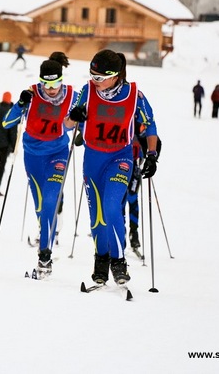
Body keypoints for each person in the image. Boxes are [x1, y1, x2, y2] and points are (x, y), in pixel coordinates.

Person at [64, 49, 159, 286]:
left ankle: (118, 260)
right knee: (97, 217)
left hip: (120, 158)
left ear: (116, 75)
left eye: (99, 78)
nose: (94, 82)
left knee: (111, 207)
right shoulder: (87, 91)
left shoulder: (135, 95)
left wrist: (152, 155)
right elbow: (66, 124)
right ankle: (101, 259)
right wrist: (75, 115)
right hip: (93, 159)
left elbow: (149, 125)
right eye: (92, 76)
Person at [3, 52, 75, 276]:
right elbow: (7, 123)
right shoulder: (31, 94)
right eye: (46, 83)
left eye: (55, 83)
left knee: (49, 203)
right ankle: (49, 228)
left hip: (58, 153)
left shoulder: (73, 95)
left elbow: (79, 119)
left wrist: (81, 127)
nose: (51, 89)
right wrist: (20, 104)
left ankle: (45, 256)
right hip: (33, 156)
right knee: (41, 208)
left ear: (61, 80)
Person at [125, 123, 162, 251]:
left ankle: (134, 234)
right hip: (117, 165)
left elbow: (157, 142)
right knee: (118, 201)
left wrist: (151, 159)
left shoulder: (139, 124)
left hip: (134, 167)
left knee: (132, 198)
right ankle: (120, 233)